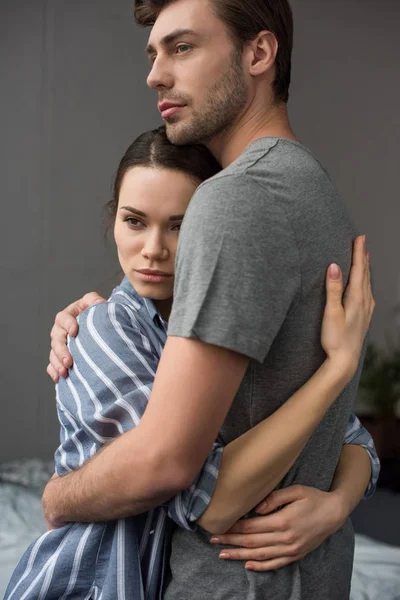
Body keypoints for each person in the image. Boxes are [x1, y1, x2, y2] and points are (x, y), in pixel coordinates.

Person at [45, 1, 378, 598]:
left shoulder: (234, 200)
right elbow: (330, 424)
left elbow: (173, 471)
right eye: (154, 53)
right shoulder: (313, 189)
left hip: (232, 578)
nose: (154, 75)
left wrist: (56, 496)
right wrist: (338, 499)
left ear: (259, 53)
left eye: (183, 47)